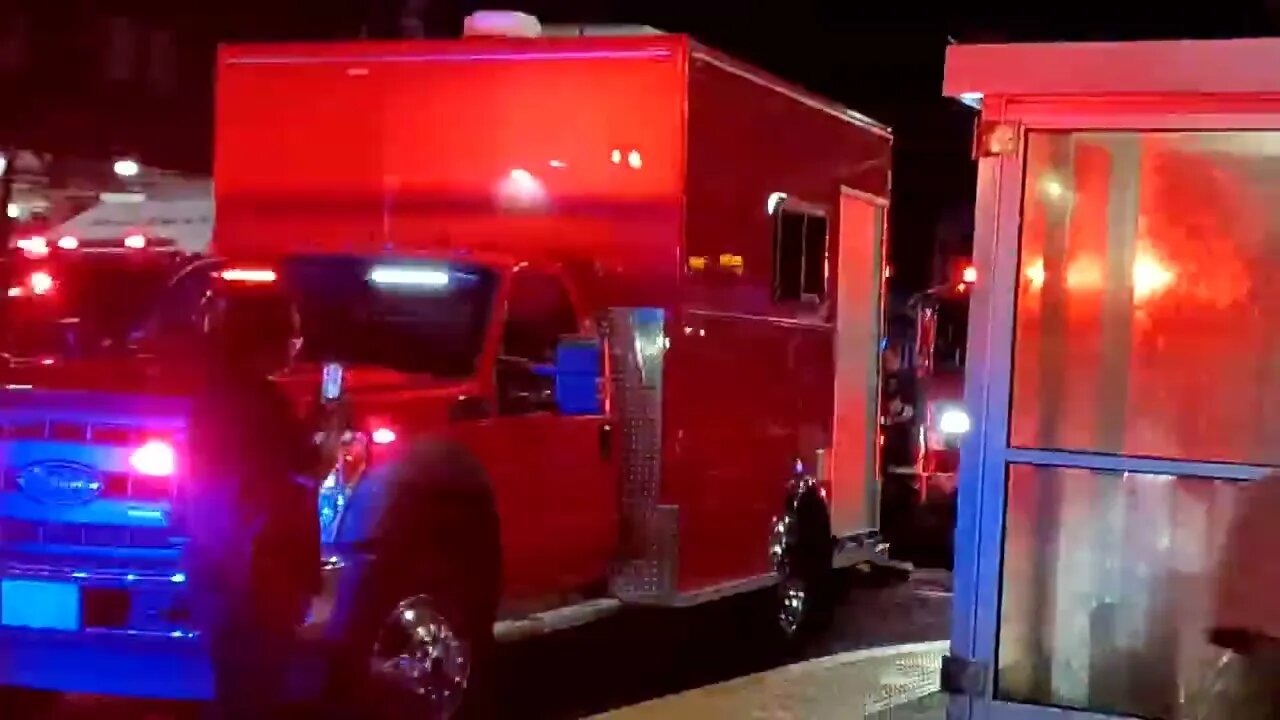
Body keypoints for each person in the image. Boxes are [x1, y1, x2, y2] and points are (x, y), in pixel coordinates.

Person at [184, 283, 334, 720]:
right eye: (292, 335)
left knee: (234, 685)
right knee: (258, 687)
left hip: (215, 560)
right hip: (262, 569)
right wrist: (331, 430)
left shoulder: (211, 398)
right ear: (265, 340)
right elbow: (307, 468)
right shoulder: (264, 403)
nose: (296, 346)